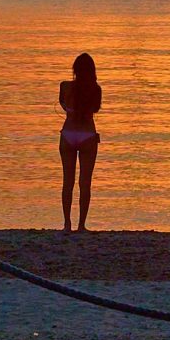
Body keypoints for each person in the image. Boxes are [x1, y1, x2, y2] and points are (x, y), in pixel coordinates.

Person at [58, 52, 103, 232]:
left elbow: (62, 104)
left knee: (67, 181)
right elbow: (95, 109)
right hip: (87, 135)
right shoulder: (96, 89)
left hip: (68, 134)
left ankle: (67, 224)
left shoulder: (65, 86)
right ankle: (81, 225)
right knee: (85, 183)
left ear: (74, 69)